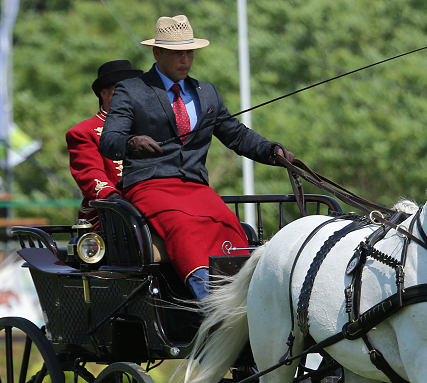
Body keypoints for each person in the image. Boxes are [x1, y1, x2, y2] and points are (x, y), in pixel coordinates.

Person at [99, 14, 294, 300]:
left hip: (195, 186)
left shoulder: (208, 93)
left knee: (230, 227)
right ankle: (212, 303)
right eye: (178, 53)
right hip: (150, 185)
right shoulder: (132, 90)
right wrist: (132, 142)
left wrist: (271, 151)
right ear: (157, 52)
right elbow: (108, 141)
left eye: (189, 52)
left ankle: (249, 300)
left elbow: (236, 135)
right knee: (183, 227)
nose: (185, 60)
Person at [66, 59, 143, 227]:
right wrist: (112, 196)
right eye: (120, 90)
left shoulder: (148, 124)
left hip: (150, 202)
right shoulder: (84, 132)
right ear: (104, 94)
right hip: (110, 212)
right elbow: (89, 172)